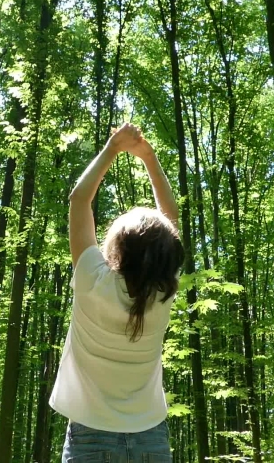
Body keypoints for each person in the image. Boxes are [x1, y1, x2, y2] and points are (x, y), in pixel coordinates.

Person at [50, 122, 184, 462]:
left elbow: (80, 198)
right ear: (167, 255)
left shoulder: (92, 280)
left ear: (117, 246)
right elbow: (171, 219)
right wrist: (149, 159)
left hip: (90, 437)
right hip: (150, 436)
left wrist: (113, 148)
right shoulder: (162, 294)